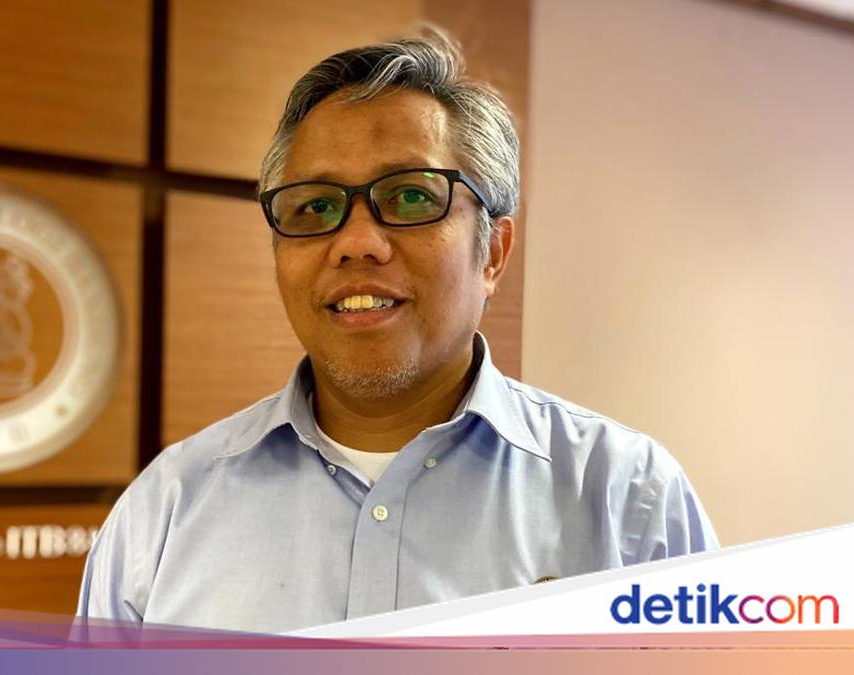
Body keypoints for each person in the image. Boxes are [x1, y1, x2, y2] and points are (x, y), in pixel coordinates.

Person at [75, 28, 717, 634]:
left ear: (493, 253)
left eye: (411, 197)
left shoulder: (627, 499)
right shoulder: (165, 509)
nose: (357, 242)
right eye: (315, 205)